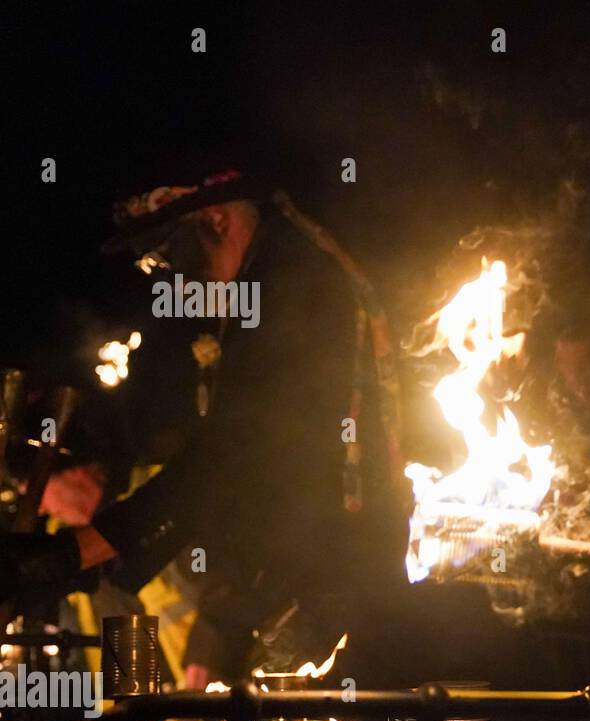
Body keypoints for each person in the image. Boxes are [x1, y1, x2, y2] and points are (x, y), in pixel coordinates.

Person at [0, 161, 405, 675]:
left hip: (335, 589)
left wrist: (74, 553)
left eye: (163, 253)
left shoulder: (293, 283)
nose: (163, 272)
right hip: (290, 586)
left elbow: (233, 458)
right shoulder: (267, 278)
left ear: (215, 219)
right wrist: (107, 563)